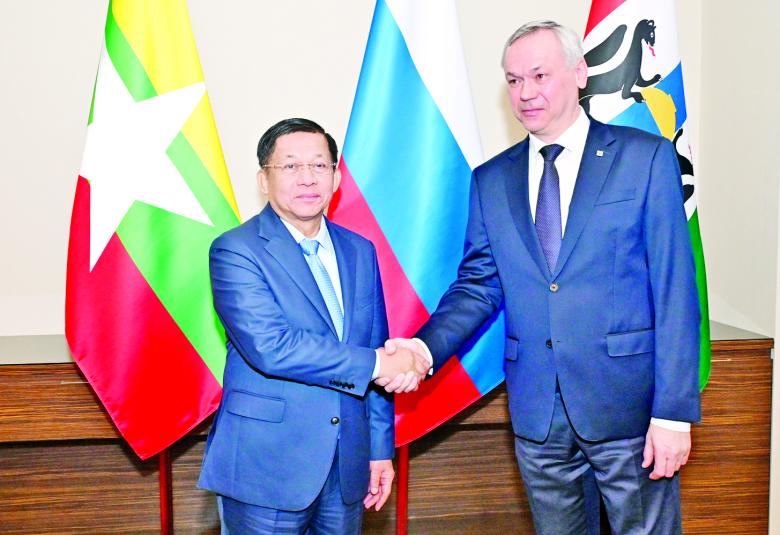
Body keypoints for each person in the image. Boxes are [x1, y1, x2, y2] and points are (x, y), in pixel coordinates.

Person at [383, 21, 700, 534]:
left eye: (539, 75)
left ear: (579, 73)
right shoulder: (491, 179)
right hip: (538, 416)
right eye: (513, 80)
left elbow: (675, 292)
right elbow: (478, 284)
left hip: (630, 412)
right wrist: (422, 349)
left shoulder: (644, 158)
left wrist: (673, 413)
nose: (525, 92)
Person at [198, 118, 428, 534]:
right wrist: (380, 364)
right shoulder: (236, 250)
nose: (307, 178)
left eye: (320, 165)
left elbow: (375, 345)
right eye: (290, 166)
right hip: (267, 468)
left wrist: (380, 450)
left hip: (347, 468)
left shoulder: (360, 250)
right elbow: (273, 347)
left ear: (336, 178)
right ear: (263, 180)